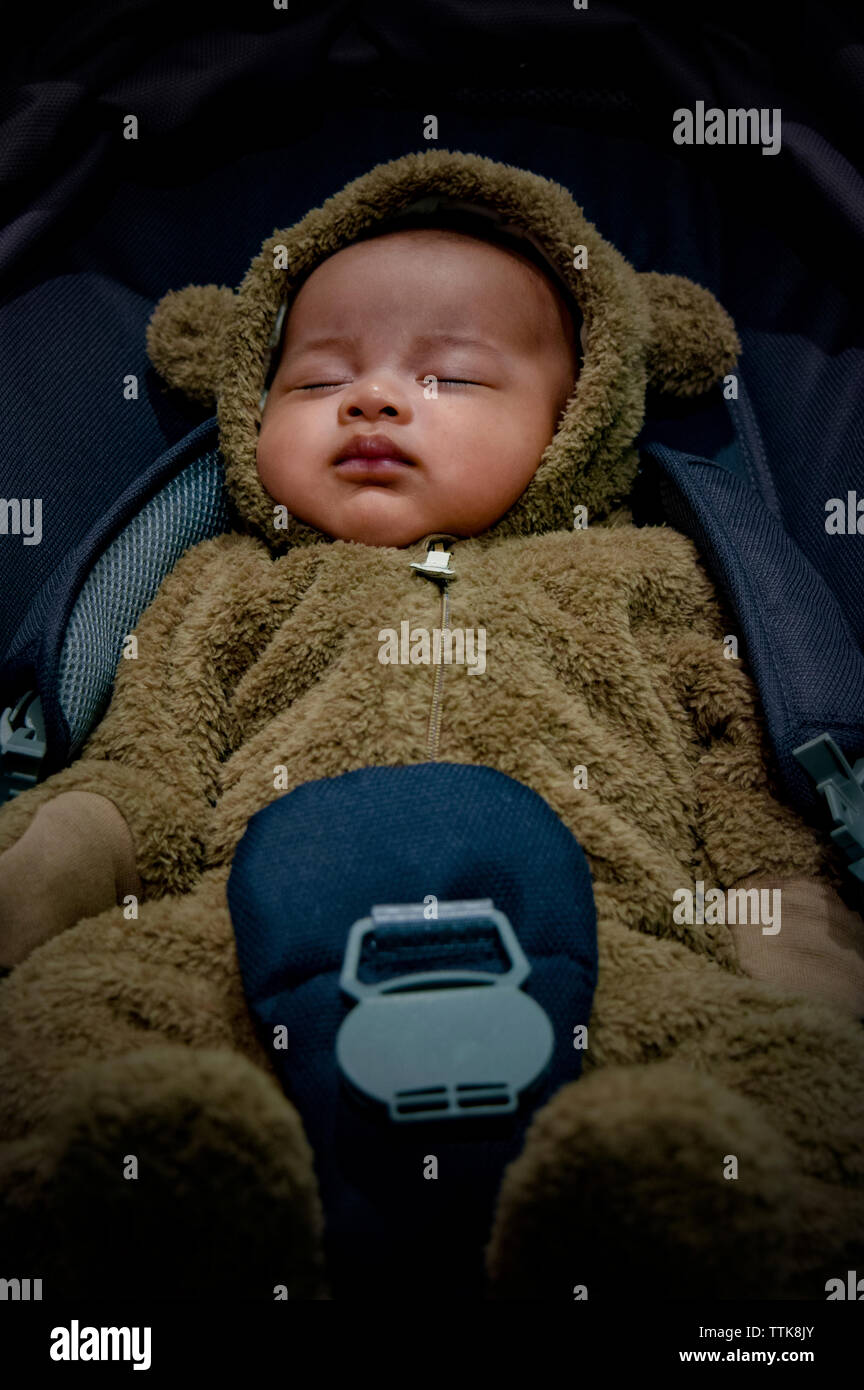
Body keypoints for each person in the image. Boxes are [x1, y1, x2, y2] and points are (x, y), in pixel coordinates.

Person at [0, 149, 862, 1301]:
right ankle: (166, 1189)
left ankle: (660, 1202)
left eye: (451, 377)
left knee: (788, 1070)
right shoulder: (223, 581)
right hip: (235, 935)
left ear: (578, 414)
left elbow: (747, 786)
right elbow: (149, 763)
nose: (371, 399)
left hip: (623, 936)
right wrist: (64, 857)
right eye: (313, 383)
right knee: (79, 1016)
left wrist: (795, 946)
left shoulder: (651, 577)